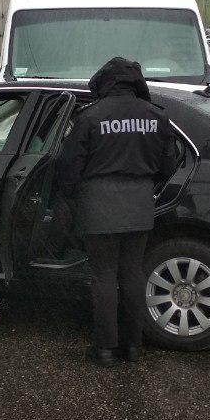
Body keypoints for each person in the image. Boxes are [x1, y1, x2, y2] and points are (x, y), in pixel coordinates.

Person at [57, 57, 176, 367]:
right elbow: (169, 164)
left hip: (99, 204)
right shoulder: (156, 117)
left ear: (104, 82)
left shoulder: (90, 117)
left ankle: (106, 349)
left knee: (104, 276)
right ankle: (133, 347)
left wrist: (68, 198)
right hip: (139, 204)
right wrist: (146, 186)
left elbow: (69, 166)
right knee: (133, 275)